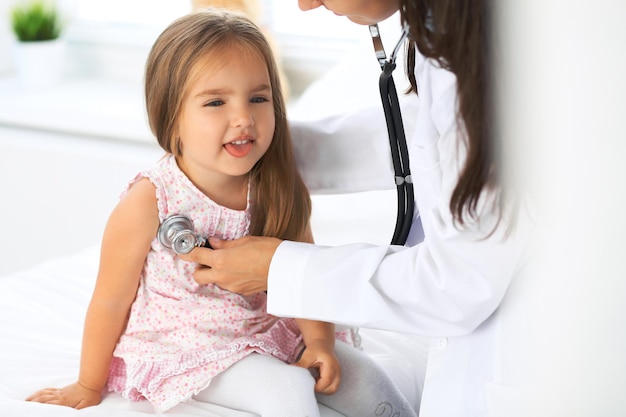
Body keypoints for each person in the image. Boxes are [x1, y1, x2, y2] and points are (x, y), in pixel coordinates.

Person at [25, 9, 417, 417]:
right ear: (170, 117)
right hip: (192, 342)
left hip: (270, 328)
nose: (243, 118)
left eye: (258, 98)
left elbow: (305, 269)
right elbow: (109, 300)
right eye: (215, 101)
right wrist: (88, 384)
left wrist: (319, 342)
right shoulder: (150, 200)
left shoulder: (277, 184)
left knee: (370, 382)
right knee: (285, 392)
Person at [182, 1, 536, 416]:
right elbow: (428, 138)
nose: (305, 3)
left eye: (259, 97)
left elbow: (460, 282)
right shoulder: (447, 33)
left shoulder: (510, 54)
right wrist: (270, 153)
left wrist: (278, 269)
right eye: (213, 104)